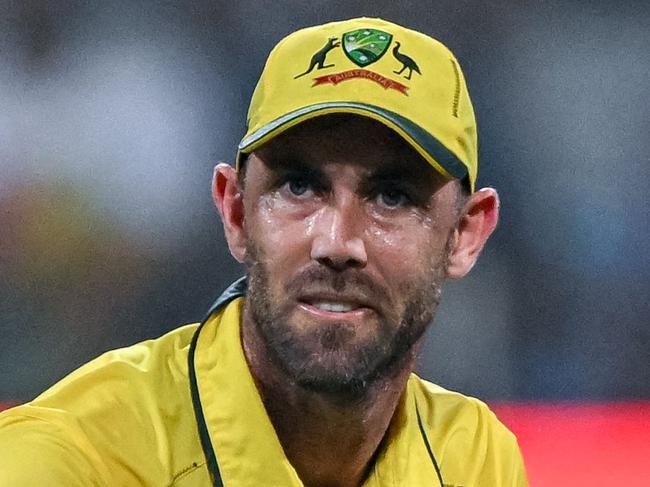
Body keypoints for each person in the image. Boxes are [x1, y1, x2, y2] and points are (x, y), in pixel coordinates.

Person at [0, 17, 528, 486]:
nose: (335, 242)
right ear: (235, 213)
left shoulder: (473, 458)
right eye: (299, 187)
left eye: (392, 196)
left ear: (465, 235)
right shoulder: (65, 464)